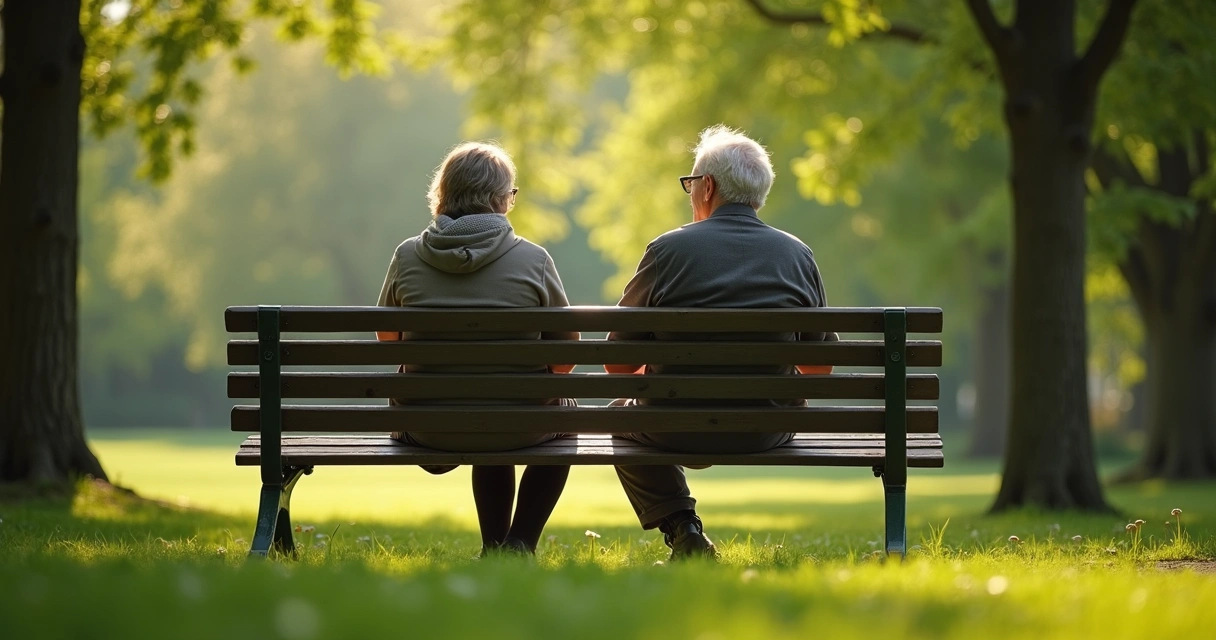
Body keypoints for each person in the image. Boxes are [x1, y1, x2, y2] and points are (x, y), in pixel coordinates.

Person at [605, 125, 838, 560]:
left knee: (618, 417)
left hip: (671, 426)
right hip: (764, 429)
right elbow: (819, 368)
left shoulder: (666, 251)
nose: (690, 193)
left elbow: (617, 366)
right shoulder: (796, 254)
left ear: (707, 187)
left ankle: (682, 527)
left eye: (691, 184)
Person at [375, 141, 575, 557]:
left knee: (487, 401)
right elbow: (564, 359)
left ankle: (493, 548)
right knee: (549, 411)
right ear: (499, 199)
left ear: (444, 195)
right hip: (519, 424)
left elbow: (388, 341)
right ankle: (518, 545)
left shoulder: (407, 256)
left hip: (428, 427)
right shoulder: (533, 260)